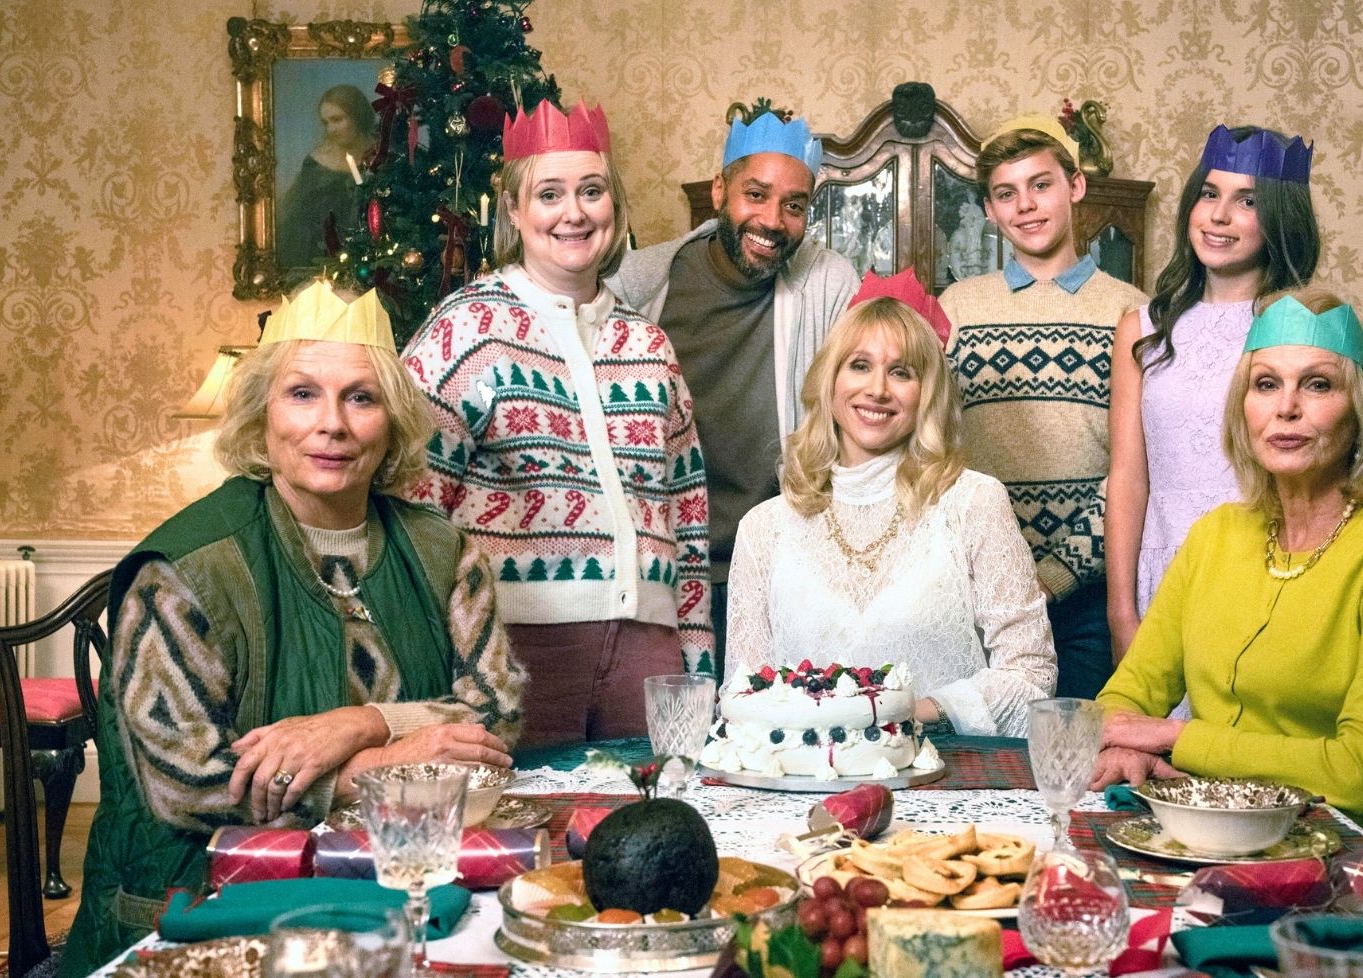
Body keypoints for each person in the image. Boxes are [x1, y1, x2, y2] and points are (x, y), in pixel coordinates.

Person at [60, 282, 526, 976]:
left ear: (393, 421)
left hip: (397, 902)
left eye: (361, 397)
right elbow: (186, 779)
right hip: (203, 915)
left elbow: (496, 714)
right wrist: (378, 767)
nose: (332, 423)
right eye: (302, 393)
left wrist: (364, 723)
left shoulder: (442, 552)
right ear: (261, 415)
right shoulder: (188, 568)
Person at [1091, 289, 1363, 925]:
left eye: (1316, 385)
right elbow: (1128, 695)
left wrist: (1174, 736)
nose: (1285, 408)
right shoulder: (1215, 536)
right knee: (1092, 900)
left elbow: (1358, 774)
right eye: (1265, 384)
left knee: (1213, 917)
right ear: (1243, 408)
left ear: (1359, 410)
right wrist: (1126, 741)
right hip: (1241, 838)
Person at [402, 100, 712, 744]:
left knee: (658, 819)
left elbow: (687, 516)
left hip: (649, 654)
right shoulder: (464, 331)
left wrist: (697, 666)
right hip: (513, 649)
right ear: (515, 211)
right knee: (524, 828)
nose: (574, 213)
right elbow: (413, 515)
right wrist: (441, 662)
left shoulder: (649, 345)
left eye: (591, 191)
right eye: (550, 194)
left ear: (613, 206)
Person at [725, 269, 1057, 737]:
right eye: (859, 365)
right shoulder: (764, 527)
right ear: (830, 379)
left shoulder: (974, 502)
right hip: (806, 788)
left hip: (947, 781)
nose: (877, 389)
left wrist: (904, 712)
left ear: (927, 394)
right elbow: (742, 695)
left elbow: (1030, 677)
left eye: (901, 372)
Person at [608, 108, 860, 676]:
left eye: (794, 205)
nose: (773, 220)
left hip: (779, 576)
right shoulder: (641, 283)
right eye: (756, 194)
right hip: (659, 578)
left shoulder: (829, 282)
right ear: (720, 189)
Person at [941, 117, 1147, 700]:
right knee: (978, 762)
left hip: (1088, 597)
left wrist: (1052, 576)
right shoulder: (957, 307)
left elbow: (1137, 467)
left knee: (1079, 760)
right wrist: (1000, 578)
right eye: (1006, 194)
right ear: (989, 210)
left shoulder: (1130, 311)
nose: (1025, 206)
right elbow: (933, 446)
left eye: (1041, 185)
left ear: (1075, 187)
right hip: (977, 592)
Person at [1105, 124, 1319, 665]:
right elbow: (1129, 478)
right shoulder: (1142, 328)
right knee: (1154, 742)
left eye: (1246, 201)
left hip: (1265, 571)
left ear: (1279, 219)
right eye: (1209, 194)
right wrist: (1122, 613)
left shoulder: (1297, 325)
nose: (1219, 216)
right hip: (1163, 570)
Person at [277, 84, 377, 268]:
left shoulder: (382, 154)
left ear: (358, 116)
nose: (330, 129)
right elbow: (298, 225)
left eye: (337, 119)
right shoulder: (317, 163)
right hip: (325, 261)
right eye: (326, 123)